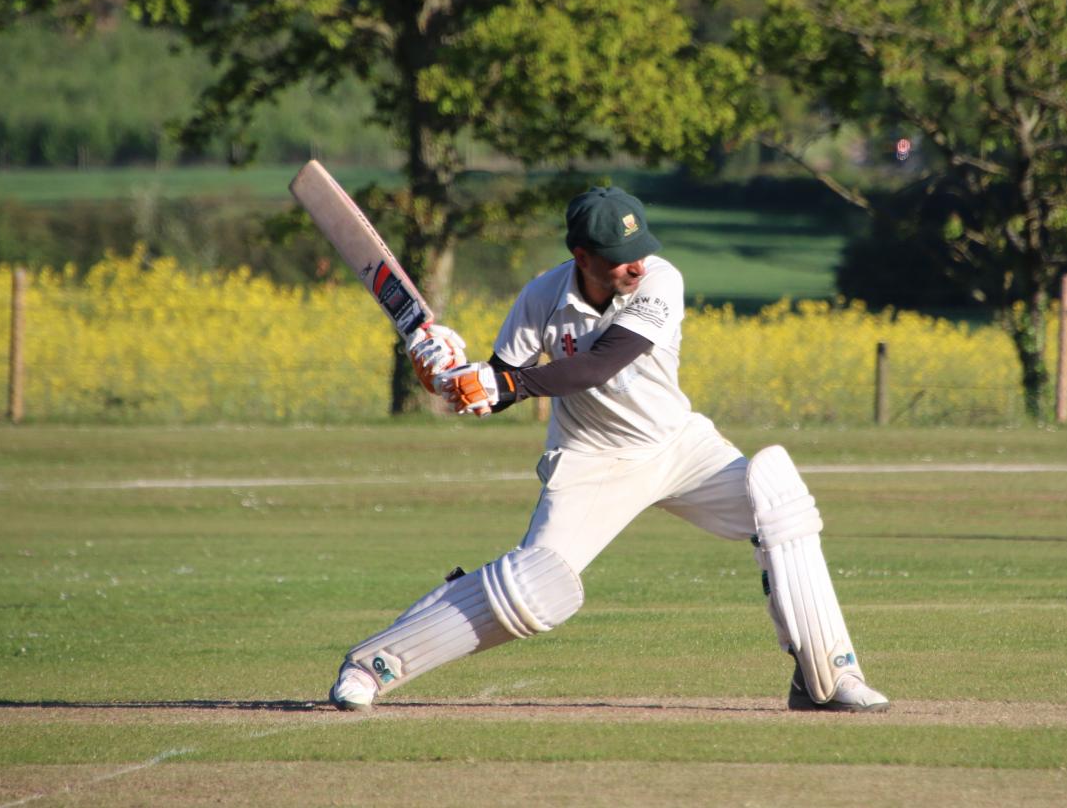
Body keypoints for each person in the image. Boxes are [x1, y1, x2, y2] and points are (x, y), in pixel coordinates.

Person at [328, 186, 890, 712]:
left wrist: (509, 385)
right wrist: (449, 377)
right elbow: (498, 386)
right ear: (582, 255)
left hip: (678, 446)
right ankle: (375, 664)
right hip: (589, 460)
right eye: (621, 256)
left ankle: (827, 676)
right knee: (533, 590)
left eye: (640, 249)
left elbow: (601, 363)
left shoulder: (659, 281)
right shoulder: (541, 297)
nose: (636, 264)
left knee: (779, 502)